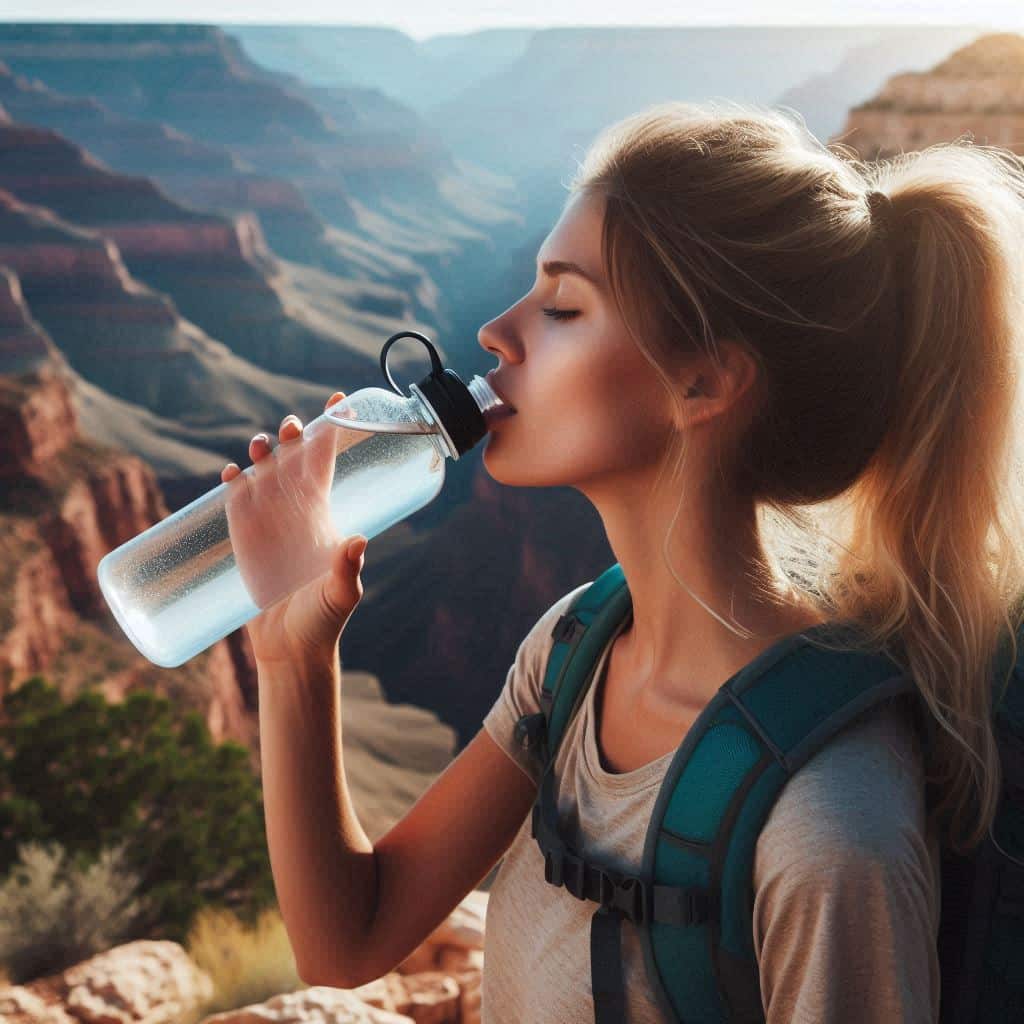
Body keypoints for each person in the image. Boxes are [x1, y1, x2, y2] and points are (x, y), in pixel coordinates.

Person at [220, 100, 1024, 1022]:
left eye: (564, 306)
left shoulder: (829, 825)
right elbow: (347, 940)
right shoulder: (574, 650)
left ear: (704, 383)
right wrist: (292, 657)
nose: (495, 331)